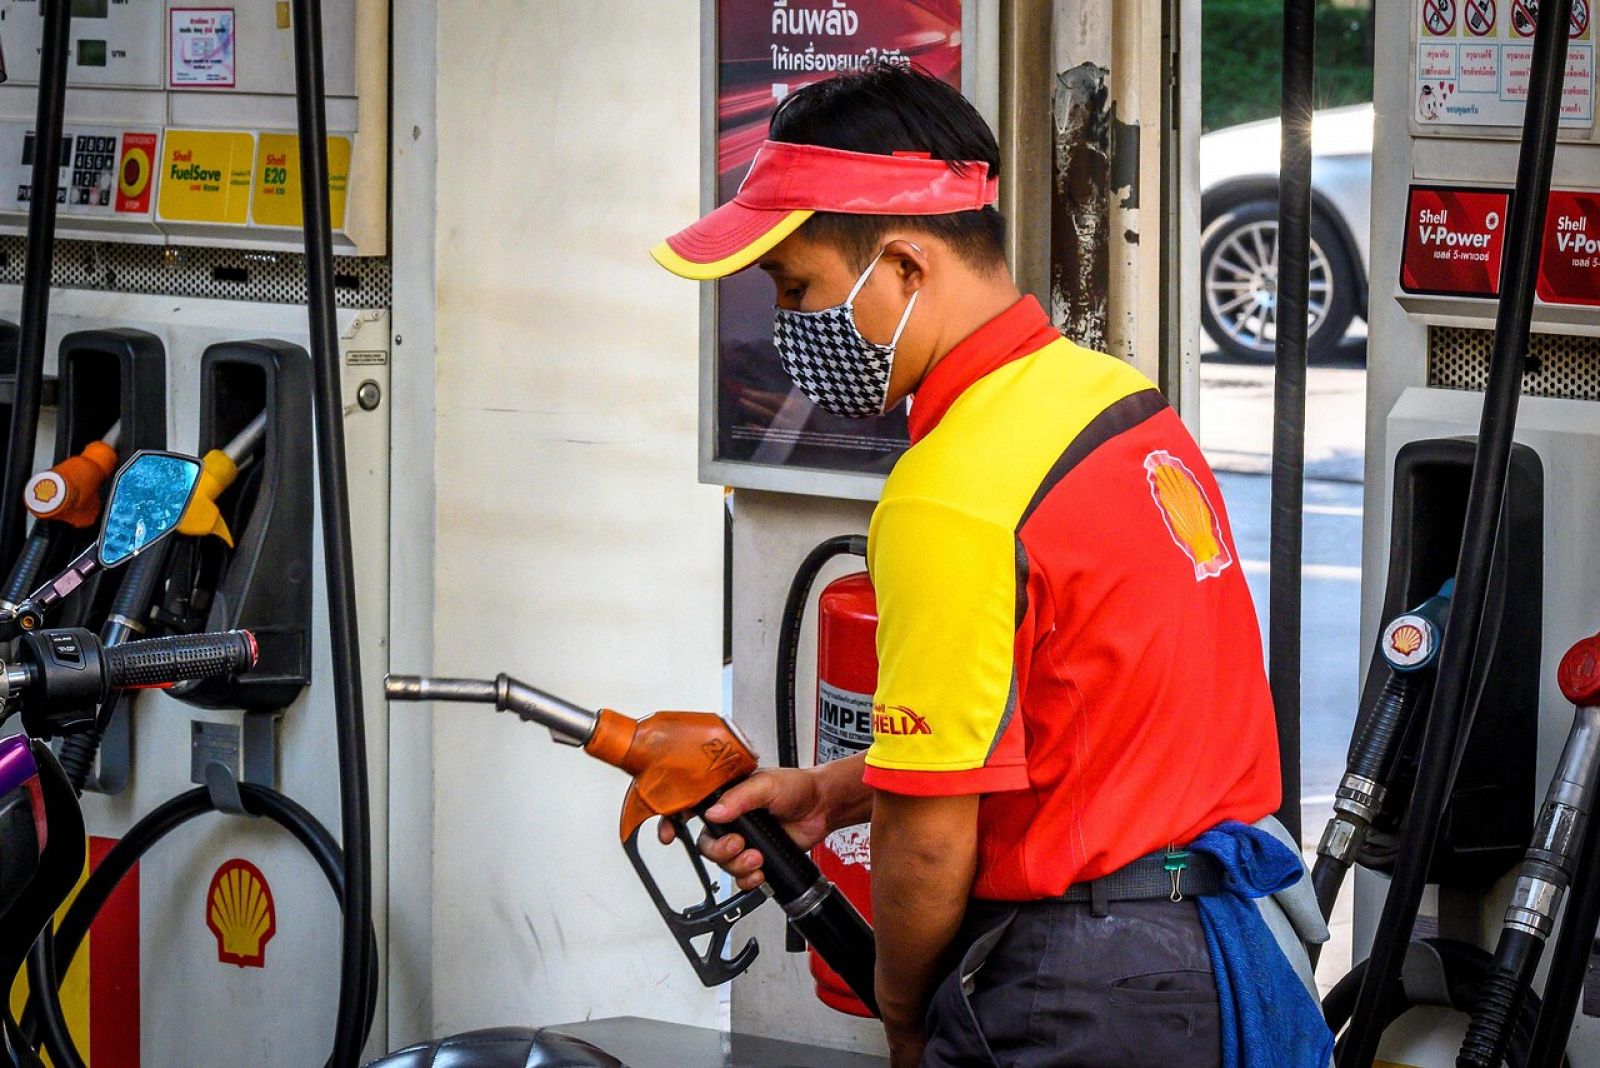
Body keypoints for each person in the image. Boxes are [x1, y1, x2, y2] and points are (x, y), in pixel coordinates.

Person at [653, 64, 1320, 1068]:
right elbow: (1072, 723)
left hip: (1080, 995)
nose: (788, 329)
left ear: (904, 269)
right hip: (1217, 956)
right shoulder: (1114, 404)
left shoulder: (950, 490)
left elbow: (929, 838)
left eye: (799, 290)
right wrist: (834, 791)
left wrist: (905, 1010)